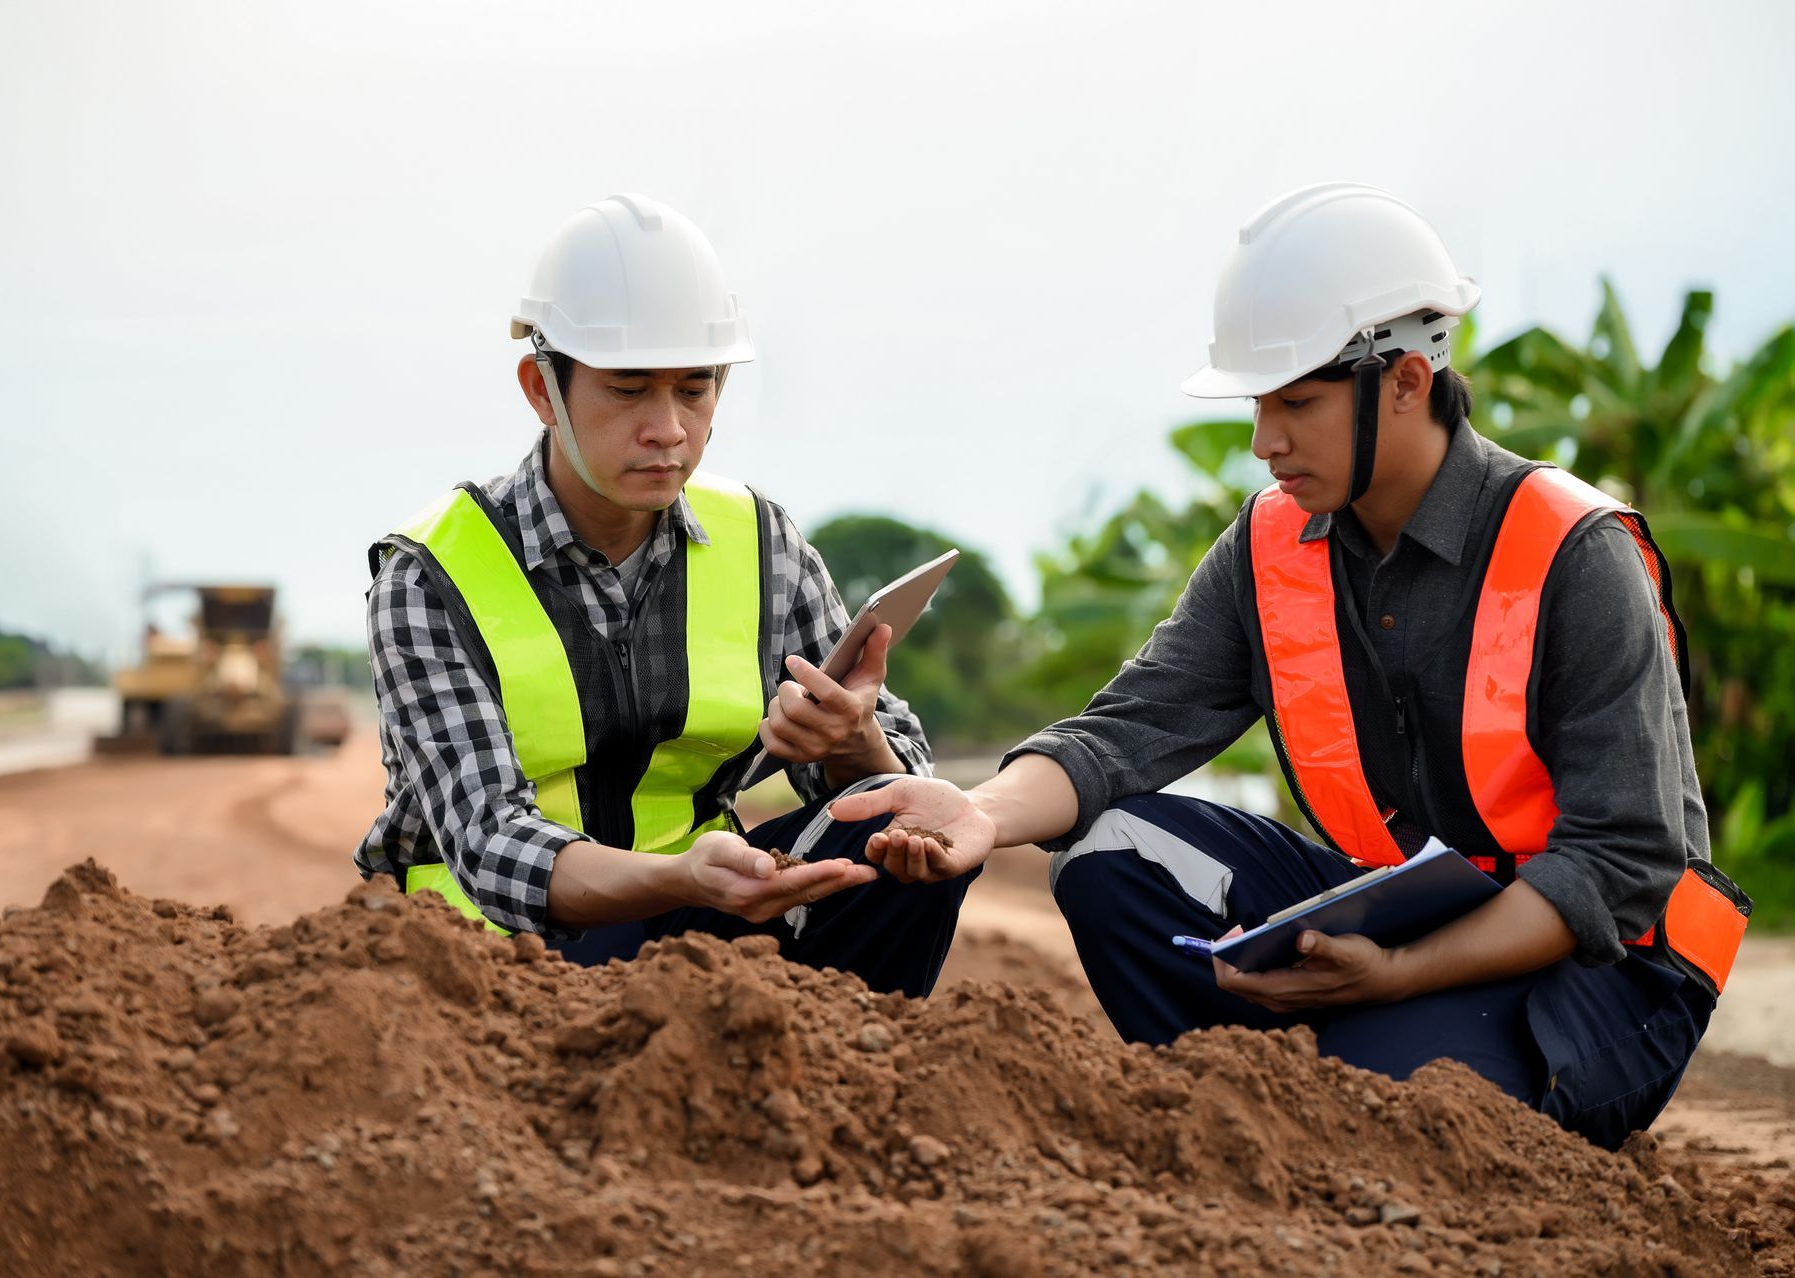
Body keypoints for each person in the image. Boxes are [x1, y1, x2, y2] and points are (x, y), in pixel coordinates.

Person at [831, 182, 1750, 1145]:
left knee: (1376, 1106)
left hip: (1602, 969)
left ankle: (1341, 1073)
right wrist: (979, 815)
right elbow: (1127, 732)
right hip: (1411, 915)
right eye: (1260, 404)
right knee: (1108, 859)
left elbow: (1616, 866)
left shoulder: (1574, 551)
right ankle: (1257, 1105)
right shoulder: (1273, 545)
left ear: (1404, 380)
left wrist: (1397, 975)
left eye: (1298, 403)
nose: (1267, 441)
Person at [354, 193, 973, 996]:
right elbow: (489, 845)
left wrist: (852, 741)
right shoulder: (431, 574)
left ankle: (856, 1080)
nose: (668, 428)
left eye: (694, 388)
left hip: (701, 915)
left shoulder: (763, 544)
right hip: (491, 957)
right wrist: (682, 876)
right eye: (628, 389)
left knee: (909, 830)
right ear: (542, 391)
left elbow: (897, 779)